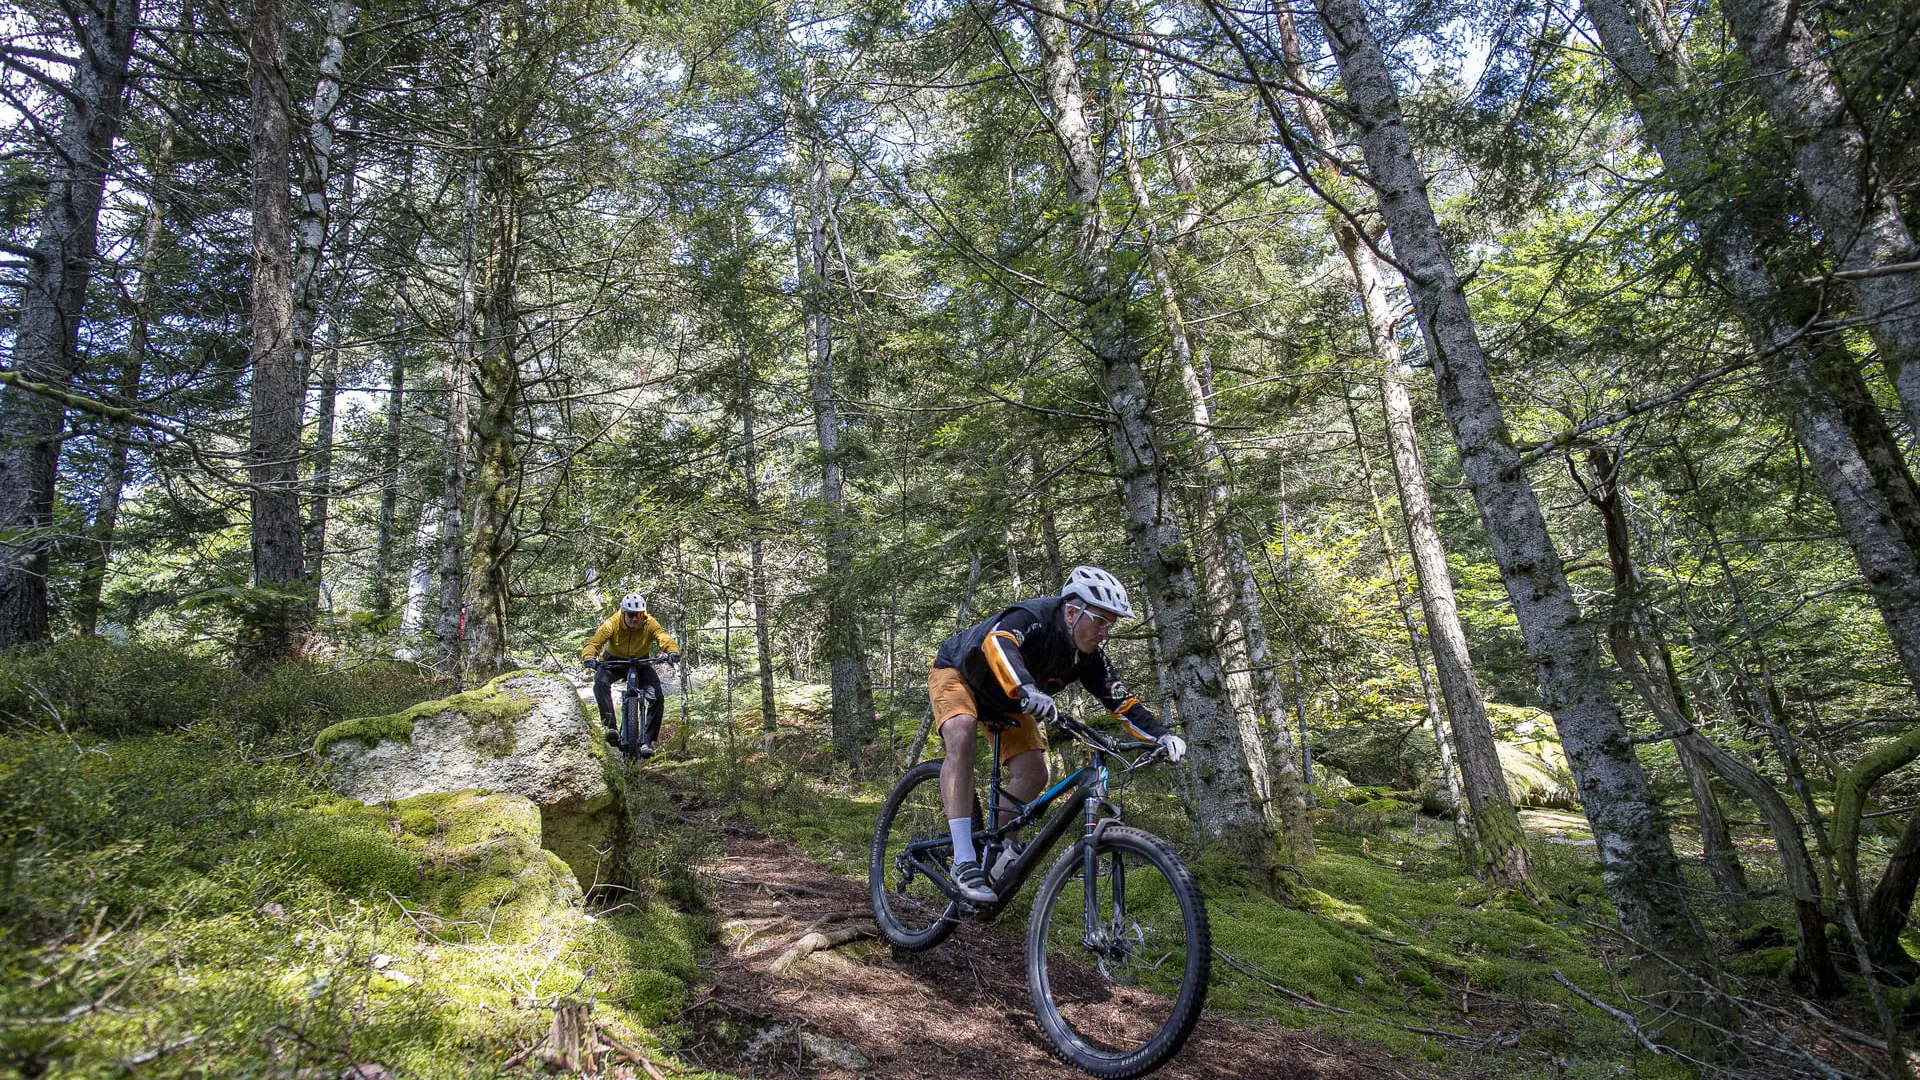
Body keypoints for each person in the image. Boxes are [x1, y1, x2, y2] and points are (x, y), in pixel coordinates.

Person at [929, 565, 1187, 904]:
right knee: (960, 734)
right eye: (1101, 620)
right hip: (960, 673)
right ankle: (963, 859)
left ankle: (992, 849)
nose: (1106, 632)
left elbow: (1121, 701)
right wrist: (1026, 688)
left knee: (1035, 773)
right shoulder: (1033, 616)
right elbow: (998, 643)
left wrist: (1161, 736)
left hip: (1008, 701)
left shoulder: (1090, 657)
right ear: (1071, 611)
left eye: (1112, 624)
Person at [582, 593, 680, 755]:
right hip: (613, 662)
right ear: (623, 613)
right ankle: (611, 726)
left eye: (639, 614)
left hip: (640, 662)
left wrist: (673, 651)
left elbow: (663, 637)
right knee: (600, 682)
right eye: (631, 615)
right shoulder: (612, 623)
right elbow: (595, 642)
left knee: (657, 696)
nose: (635, 618)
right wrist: (589, 657)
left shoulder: (649, 623)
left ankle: (647, 742)